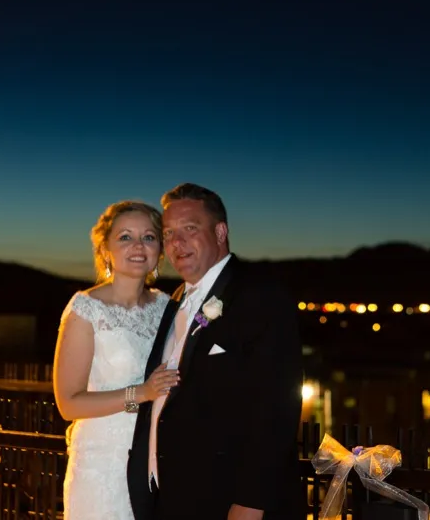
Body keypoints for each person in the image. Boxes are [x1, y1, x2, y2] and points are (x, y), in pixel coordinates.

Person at [127, 183, 303, 520]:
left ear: (220, 231)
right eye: (168, 233)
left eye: (190, 229)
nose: (176, 243)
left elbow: (277, 407)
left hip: (227, 502)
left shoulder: (260, 295)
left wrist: (251, 503)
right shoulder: (176, 299)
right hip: (170, 499)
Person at [53, 201, 181, 520]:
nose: (138, 246)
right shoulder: (86, 310)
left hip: (157, 462)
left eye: (149, 237)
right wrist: (140, 394)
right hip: (104, 465)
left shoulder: (168, 307)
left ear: (159, 250)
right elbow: (69, 404)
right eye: (125, 237)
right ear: (105, 249)